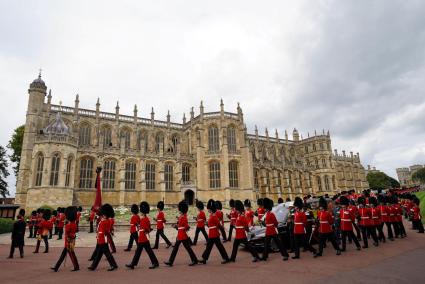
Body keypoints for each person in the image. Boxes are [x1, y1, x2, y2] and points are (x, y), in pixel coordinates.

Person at [126, 201, 159, 270]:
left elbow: (147, 228)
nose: (140, 212)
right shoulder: (143, 219)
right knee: (138, 251)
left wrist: (145, 229)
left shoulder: (145, 219)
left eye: (141, 211)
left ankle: (155, 263)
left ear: (143, 212)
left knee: (149, 251)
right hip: (142, 237)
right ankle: (133, 264)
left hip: (144, 238)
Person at [164, 201, 198, 266]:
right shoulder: (182, 216)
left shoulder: (183, 217)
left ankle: (194, 260)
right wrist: (176, 227)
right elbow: (180, 226)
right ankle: (170, 261)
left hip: (182, 236)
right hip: (180, 235)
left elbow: (186, 226)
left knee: (187, 248)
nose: (179, 210)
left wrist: (178, 227)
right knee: (178, 248)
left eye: (180, 209)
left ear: (182, 210)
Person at [88, 204, 118, 271]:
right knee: (99, 254)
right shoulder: (103, 220)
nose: (102, 215)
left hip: (103, 239)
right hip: (100, 238)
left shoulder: (106, 221)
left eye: (103, 214)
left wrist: (107, 234)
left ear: (106, 214)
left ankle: (113, 265)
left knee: (107, 253)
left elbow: (107, 230)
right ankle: (93, 266)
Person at [199, 199, 230, 264]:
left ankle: (226, 258)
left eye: (209, 209)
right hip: (211, 234)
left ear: (211, 209)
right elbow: (211, 225)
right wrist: (207, 224)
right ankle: (204, 259)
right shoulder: (211, 216)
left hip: (215, 234)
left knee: (219, 247)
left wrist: (221, 228)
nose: (208, 210)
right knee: (209, 247)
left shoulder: (214, 216)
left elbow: (218, 224)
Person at [51, 206, 79, 272]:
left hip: (68, 242)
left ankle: (76, 266)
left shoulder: (69, 225)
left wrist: (66, 226)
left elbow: (68, 233)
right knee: (64, 255)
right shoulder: (74, 224)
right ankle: (56, 267)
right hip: (70, 241)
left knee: (71, 254)